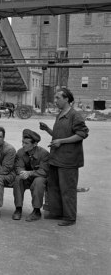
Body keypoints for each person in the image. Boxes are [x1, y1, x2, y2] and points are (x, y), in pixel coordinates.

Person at [40, 88, 89, 226]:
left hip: (69, 160)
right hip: (56, 158)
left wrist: (61, 142)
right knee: (54, 187)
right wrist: (47, 130)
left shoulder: (75, 115)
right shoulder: (60, 114)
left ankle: (69, 217)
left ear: (67, 99)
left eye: (58, 98)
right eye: (55, 98)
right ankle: (57, 212)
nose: (55, 101)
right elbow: (58, 136)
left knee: (68, 189)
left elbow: (82, 134)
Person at [12, 129, 49, 222]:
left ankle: (36, 211)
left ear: (35, 144)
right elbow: (18, 167)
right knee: (18, 179)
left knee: (38, 181)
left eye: (26, 143)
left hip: (39, 177)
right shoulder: (20, 152)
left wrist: (29, 173)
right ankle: (18, 208)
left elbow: (44, 171)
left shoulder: (44, 153)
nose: (23, 145)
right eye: (22, 142)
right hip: (27, 177)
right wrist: (22, 173)